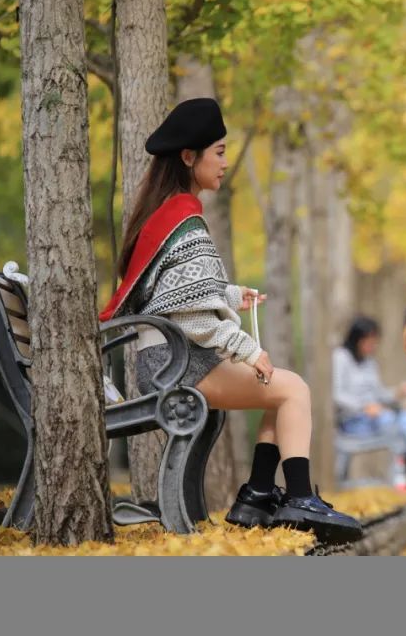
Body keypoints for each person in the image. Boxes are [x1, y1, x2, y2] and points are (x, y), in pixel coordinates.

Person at [100, 98, 362, 544]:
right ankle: (298, 498)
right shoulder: (185, 218)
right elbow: (192, 315)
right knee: (293, 389)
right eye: (218, 152)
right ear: (189, 157)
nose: (224, 162)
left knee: (280, 395)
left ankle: (257, 496)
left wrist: (230, 295)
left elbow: (178, 293)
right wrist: (249, 350)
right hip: (176, 362)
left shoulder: (169, 213)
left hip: (167, 358)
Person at [333, 316, 406, 486]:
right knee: (395, 425)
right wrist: (364, 407)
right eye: (370, 341)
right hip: (353, 420)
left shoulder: (370, 361)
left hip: (379, 415)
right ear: (358, 339)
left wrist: (400, 392)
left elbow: (379, 394)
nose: (373, 346)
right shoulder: (341, 357)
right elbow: (337, 395)